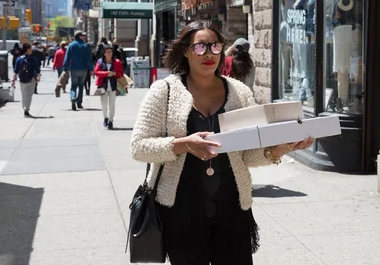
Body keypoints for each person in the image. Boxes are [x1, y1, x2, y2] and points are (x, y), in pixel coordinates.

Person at [130, 20, 313, 264]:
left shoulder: (239, 93)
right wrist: (184, 144)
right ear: (186, 50)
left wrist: (282, 148)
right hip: (180, 211)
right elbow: (139, 147)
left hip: (232, 208)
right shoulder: (164, 91)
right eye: (200, 47)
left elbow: (249, 153)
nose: (209, 54)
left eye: (215, 47)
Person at [94, 45, 124, 129]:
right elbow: (96, 72)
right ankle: (105, 117)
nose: (109, 53)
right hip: (103, 86)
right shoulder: (100, 62)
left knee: (112, 104)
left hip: (113, 86)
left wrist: (115, 73)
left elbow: (121, 73)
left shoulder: (117, 62)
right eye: (107, 52)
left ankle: (111, 120)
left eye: (110, 52)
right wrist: (106, 73)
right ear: (104, 53)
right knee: (103, 104)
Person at [63, 31, 94, 111]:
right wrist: (91, 69)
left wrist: (65, 68)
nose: (84, 37)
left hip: (74, 69)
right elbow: (89, 59)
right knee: (81, 86)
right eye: (83, 35)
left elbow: (67, 58)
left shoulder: (71, 45)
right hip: (84, 69)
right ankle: (79, 103)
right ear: (79, 36)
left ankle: (73, 97)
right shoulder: (85, 46)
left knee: (73, 85)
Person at [11, 43, 41, 117]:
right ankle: (26, 109)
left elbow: (15, 71)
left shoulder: (19, 59)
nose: (31, 50)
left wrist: (13, 79)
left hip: (22, 79)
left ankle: (24, 107)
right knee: (29, 95)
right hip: (31, 79)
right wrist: (38, 77)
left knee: (24, 94)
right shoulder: (33, 59)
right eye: (30, 49)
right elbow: (37, 70)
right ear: (27, 50)